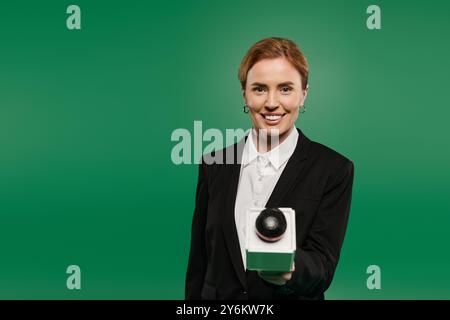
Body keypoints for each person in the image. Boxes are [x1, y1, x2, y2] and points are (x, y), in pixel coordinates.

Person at [185, 37, 355, 300]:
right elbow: (199, 263)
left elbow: (323, 267)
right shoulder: (214, 164)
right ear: (245, 94)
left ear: (303, 94)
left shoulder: (333, 169)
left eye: (285, 89)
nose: (272, 102)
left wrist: (289, 267)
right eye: (260, 89)